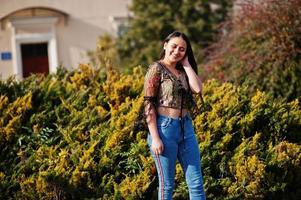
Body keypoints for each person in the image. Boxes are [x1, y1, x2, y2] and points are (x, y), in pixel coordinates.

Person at [143, 31, 206, 200]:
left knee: (196, 183)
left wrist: (186, 64)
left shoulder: (183, 70)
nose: (177, 51)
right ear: (165, 45)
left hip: (186, 128)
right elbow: (148, 104)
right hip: (165, 130)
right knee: (167, 185)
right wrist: (155, 138)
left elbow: (198, 89)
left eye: (182, 49)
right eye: (174, 46)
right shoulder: (156, 69)